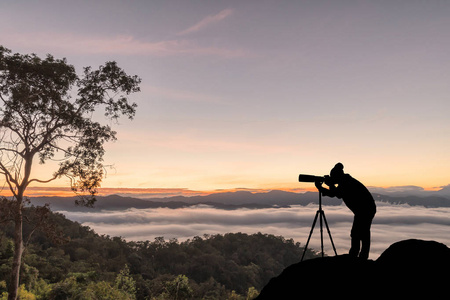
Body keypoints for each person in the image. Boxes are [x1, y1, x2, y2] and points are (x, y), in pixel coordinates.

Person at [315, 163, 376, 259]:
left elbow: (334, 194)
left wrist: (321, 187)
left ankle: (358, 256)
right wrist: (329, 185)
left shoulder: (346, 182)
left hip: (365, 209)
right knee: (360, 232)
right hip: (365, 209)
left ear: (337, 176)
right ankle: (358, 255)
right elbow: (335, 193)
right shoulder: (345, 180)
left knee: (360, 233)